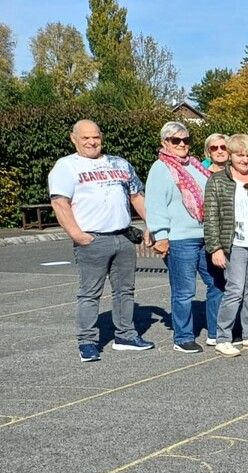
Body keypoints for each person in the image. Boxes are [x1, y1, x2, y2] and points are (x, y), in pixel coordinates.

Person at [49, 119, 155, 362]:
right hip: (93, 240)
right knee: (89, 293)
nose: (91, 141)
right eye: (85, 137)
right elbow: (59, 203)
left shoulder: (119, 163)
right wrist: (78, 235)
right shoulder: (66, 166)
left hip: (123, 237)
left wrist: (153, 224)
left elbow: (137, 196)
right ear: (73, 138)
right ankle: (87, 341)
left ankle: (126, 335)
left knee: (125, 290)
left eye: (95, 136)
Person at [146, 121, 222, 353]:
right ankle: (183, 336)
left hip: (205, 235)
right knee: (184, 290)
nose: (181, 144)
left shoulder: (196, 166)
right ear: (164, 143)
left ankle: (216, 332)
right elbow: (155, 204)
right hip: (180, 238)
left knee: (217, 284)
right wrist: (161, 236)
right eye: (175, 140)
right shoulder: (160, 168)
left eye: (185, 140)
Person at [203, 134, 248, 357]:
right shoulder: (217, 181)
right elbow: (211, 217)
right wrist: (215, 248)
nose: (244, 160)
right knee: (234, 290)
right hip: (234, 244)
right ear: (231, 156)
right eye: (239, 155)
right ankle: (223, 336)